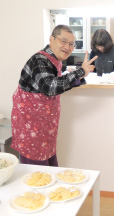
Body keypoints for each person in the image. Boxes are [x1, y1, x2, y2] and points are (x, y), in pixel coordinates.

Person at [11, 25, 97, 166]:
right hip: (30, 127)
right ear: (51, 39)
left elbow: (56, 83)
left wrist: (78, 76)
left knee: (50, 170)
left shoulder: (53, 59)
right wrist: (80, 72)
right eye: (63, 41)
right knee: (36, 176)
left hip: (43, 127)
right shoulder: (39, 60)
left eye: (71, 44)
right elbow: (50, 87)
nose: (68, 47)